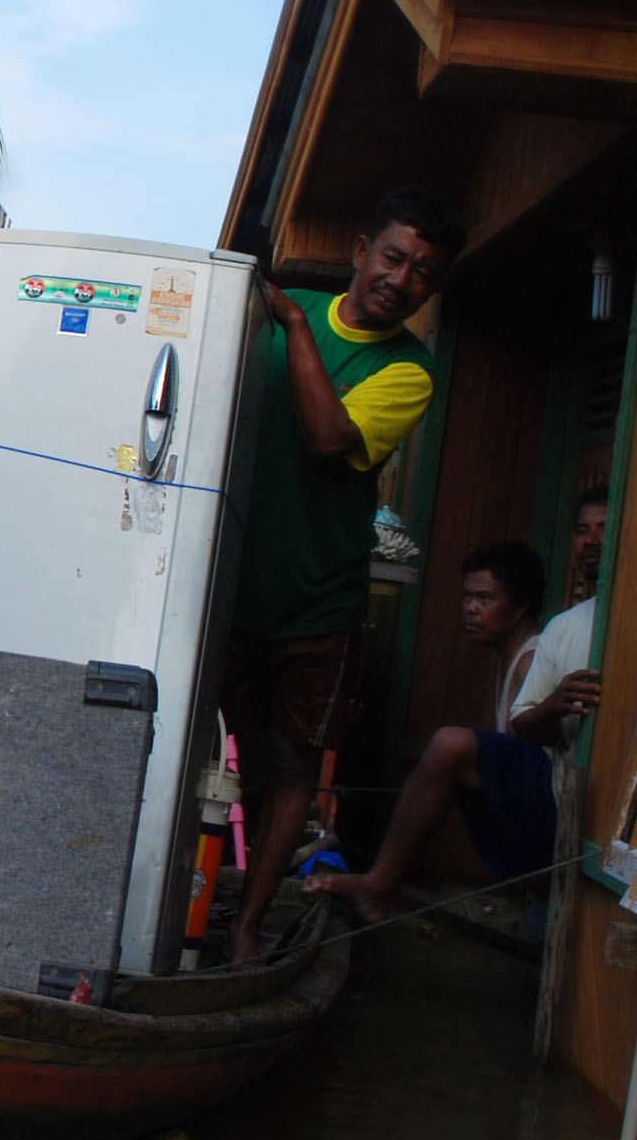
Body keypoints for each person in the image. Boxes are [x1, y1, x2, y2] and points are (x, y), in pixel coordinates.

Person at [219, 185, 459, 960]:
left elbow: (328, 438)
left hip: (315, 602)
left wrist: (290, 322)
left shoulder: (408, 372)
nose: (400, 277)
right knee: (215, 751)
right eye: (392, 256)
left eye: (422, 271)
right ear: (361, 251)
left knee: (289, 767)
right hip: (218, 584)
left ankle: (249, 926)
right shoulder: (261, 315)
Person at [305, 540, 553, 923]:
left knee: (449, 745)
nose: (471, 608)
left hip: (543, 823)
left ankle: (379, 883)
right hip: (520, 814)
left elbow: (526, 768)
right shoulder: (511, 655)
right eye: (467, 596)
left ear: (521, 606)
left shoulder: (531, 660)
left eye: (485, 598)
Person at [509, 486, 610, 762]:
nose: (591, 540)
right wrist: (554, 705)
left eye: (604, 527)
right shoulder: (563, 625)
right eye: (582, 530)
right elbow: (522, 721)